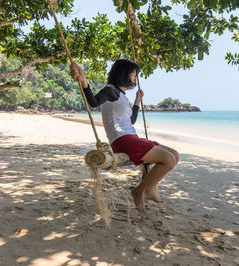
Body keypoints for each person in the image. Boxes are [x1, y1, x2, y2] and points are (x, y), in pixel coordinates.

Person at [70, 59, 179, 214]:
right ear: (124, 74)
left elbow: (131, 120)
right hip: (122, 140)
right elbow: (93, 102)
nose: (135, 79)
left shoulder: (121, 95)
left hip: (132, 137)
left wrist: (136, 102)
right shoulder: (110, 91)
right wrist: (83, 81)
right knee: (167, 160)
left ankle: (150, 190)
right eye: (134, 75)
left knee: (175, 155)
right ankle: (139, 191)